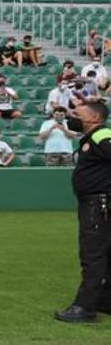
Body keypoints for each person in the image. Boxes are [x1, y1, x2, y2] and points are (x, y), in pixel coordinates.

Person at [56, 101, 111, 322]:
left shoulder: (101, 135)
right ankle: (106, 301)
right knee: (107, 254)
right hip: (101, 204)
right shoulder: (94, 137)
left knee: (93, 254)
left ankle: (85, 308)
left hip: (98, 205)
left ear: (94, 118)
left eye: (77, 113)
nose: (72, 116)